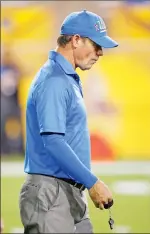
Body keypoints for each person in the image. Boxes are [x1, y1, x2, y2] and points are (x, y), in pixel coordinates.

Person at [19, 10, 118, 233]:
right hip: (51, 193)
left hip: (67, 189)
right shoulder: (54, 80)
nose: (100, 53)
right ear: (75, 40)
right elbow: (53, 141)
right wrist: (93, 182)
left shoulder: (65, 77)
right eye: (96, 45)